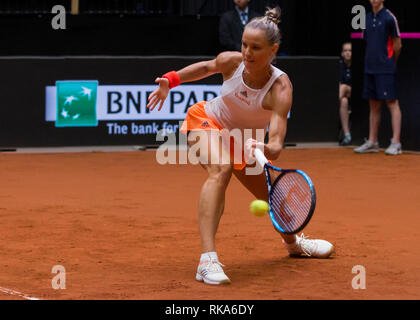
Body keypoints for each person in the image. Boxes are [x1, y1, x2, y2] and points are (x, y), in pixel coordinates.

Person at [147, 7, 334, 286]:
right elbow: (206, 68)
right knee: (220, 169)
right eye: (244, 44)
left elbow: (278, 135)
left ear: (273, 50)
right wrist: (170, 81)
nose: (247, 52)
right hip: (206, 120)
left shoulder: (280, 88)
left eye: (255, 48)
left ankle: (294, 243)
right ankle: (207, 260)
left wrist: (270, 148)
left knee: (273, 195)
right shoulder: (232, 62)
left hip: (245, 140)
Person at [354, 0, 403, 155]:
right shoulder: (366, 18)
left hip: (386, 68)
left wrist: (390, 62)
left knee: (392, 103)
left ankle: (396, 142)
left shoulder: (389, 18)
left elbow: (398, 45)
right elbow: (367, 41)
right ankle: (373, 141)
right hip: (370, 68)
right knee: (373, 106)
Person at [339, 42, 352, 146]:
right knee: (343, 101)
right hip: (344, 96)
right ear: (342, 53)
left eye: (350, 50)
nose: (348, 53)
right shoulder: (339, 66)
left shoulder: (357, 65)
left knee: (343, 87)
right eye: (345, 50)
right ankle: (347, 134)